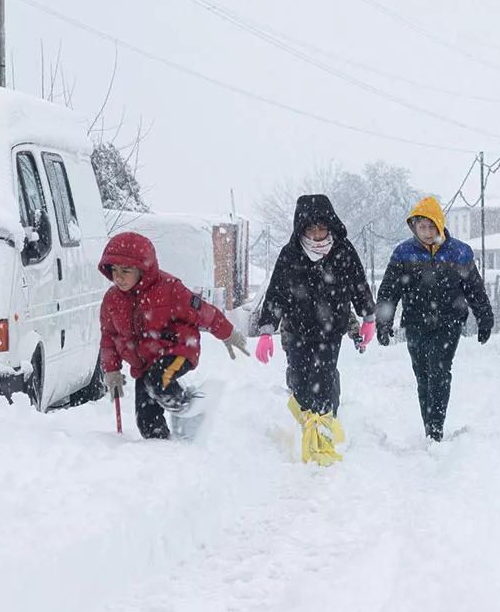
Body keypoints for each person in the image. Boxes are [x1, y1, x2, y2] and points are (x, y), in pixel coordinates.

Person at [254, 195, 375, 463]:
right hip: (297, 330)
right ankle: (307, 424)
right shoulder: (291, 254)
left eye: (322, 228)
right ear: (302, 229)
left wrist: (368, 317)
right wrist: (266, 330)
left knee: (323, 377)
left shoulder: (343, 250)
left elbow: (358, 284)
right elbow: (276, 294)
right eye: (311, 229)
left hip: (331, 330)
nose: (318, 235)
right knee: (299, 381)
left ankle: (322, 436)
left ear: (330, 226)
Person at [98, 231, 249, 439]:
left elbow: (202, 311)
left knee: (159, 380)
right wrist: (111, 371)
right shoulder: (112, 300)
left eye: (125, 270)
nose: (118, 277)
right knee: (146, 419)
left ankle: (193, 406)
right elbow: (108, 338)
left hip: (177, 348)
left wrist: (228, 333)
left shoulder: (169, 289)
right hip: (144, 363)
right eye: (114, 270)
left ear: (143, 269)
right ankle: (163, 451)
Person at [375, 196, 493, 441]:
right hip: (416, 323)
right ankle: (429, 425)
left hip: (449, 322)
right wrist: (383, 322)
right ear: (414, 227)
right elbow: (389, 290)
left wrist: (484, 318)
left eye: (431, 227)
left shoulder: (459, 252)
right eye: (421, 227)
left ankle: (436, 429)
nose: (427, 233)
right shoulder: (403, 253)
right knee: (422, 375)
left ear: (439, 225)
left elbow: (474, 288)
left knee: (439, 371)